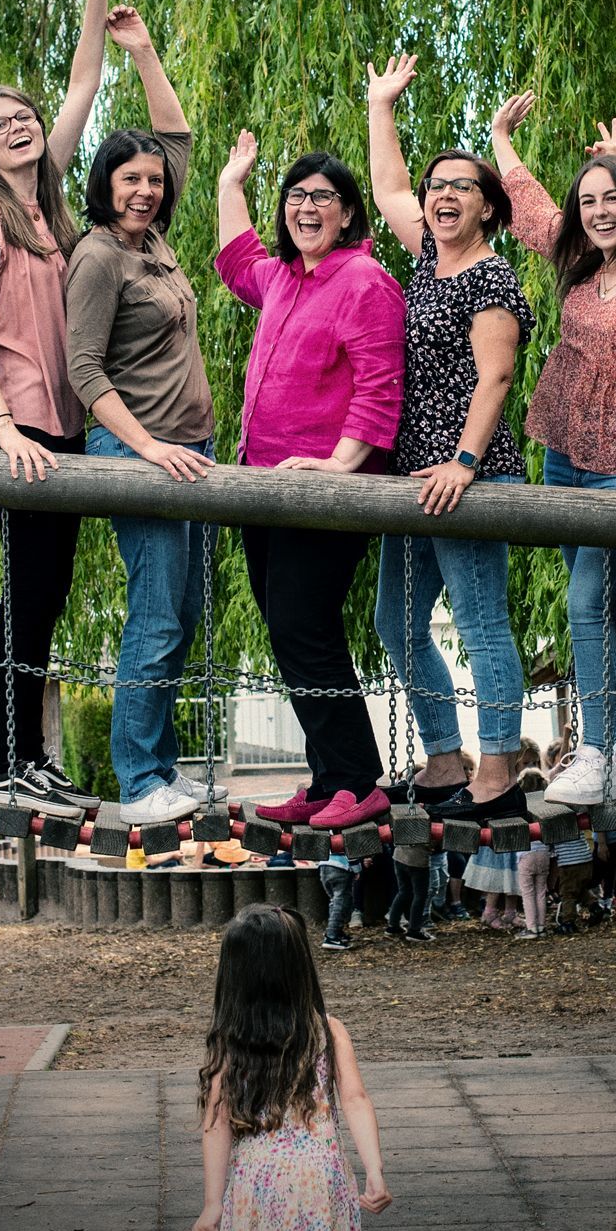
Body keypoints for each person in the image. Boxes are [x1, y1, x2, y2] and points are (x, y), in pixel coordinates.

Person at [488, 92, 616, 806]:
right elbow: (530, 211)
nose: (599, 212)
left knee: (585, 601)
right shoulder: (582, 261)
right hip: (566, 454)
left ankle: (599, 752)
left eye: (612, 199)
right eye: (589, 202)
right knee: (605, 606)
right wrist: (501, 139)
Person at [0, 0, 116, 816]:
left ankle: (26, 757)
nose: (18, 127)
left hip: (66, 421)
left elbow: (85, 83)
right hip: (18, 422)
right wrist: (3, 427)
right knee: (25, 591)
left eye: (24, 117)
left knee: (47, 592)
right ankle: (5, 763)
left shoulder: (48, 201)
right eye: (0, 123)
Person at [214, 130, 406, 833]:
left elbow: (381, 384)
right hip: (264, 486)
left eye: (323, 197)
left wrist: (343, 463)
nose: (306, 207)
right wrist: (232, 183)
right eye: (296, 196)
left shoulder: (365, 280)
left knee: (305, 627)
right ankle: (329, 780)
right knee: (290, 630)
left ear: (349, 213)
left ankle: (356, 781)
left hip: (323, 491)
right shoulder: (282, 278)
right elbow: (237, 261)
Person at [365, 54, 533, 823]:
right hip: (415, 476)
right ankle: (442, 759)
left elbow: (495, 377)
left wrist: (464, 463)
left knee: (480, 621)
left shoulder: (490, 277)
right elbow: (387, 189)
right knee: (396, 622)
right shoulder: (430, 260)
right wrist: (382, 106)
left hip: (468, 475)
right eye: (437, 186)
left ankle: (497, 773)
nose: (441, 196)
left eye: (460, 187)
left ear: (488, 208)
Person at [64, 9, 215, 826]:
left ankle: (158, 767)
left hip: (186, 451)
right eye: (131, 179)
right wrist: (150, 448)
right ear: (106, 184)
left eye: (153, 181)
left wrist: (145, 51)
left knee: (179, 616)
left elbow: (177, 140)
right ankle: (137, 782)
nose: (147, 189)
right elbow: (85, 372)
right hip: (141, 454)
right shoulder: (97, 256)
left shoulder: (154, 242)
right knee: (155, 617)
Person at [190, 904, 389, 1231]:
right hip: (318, 1182)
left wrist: (213, 1202)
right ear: (299, 965)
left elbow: (216, 1124)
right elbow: (355, 1099)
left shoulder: (229, 1039)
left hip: (255, 1187)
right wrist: (374, 1170)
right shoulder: (326, 1031)